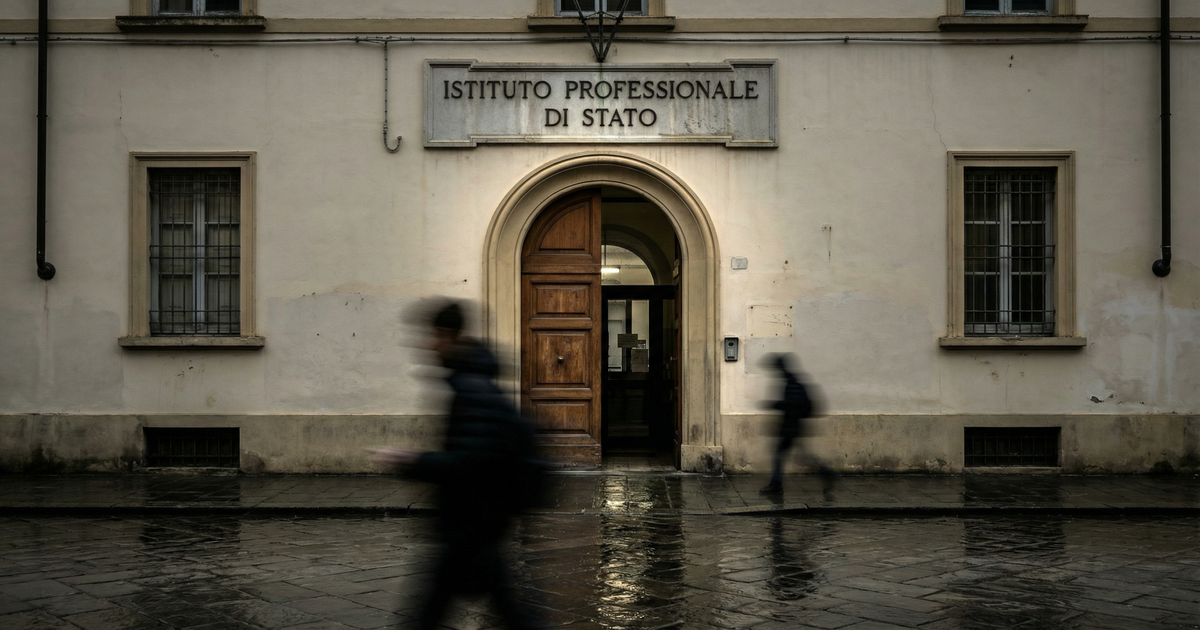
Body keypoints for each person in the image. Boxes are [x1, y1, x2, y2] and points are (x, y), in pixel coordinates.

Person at [369, 300, 542, 630]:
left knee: (438, 613)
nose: (427, 345)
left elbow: (472, 461)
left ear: (448, 336)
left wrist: (415, 460)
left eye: (431, 336)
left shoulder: (471, 389)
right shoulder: (472, 382)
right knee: (503, 611)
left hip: (472, 526)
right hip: (475, 525)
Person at [760, 353, 837, 497]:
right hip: (792, 426)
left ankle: (776, 485)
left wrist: (775, 404)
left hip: (791, 427)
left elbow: (792, 405)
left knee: (780, 455)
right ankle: (827, 473)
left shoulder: (791, 383)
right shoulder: (791, 381)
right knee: (799, 456)